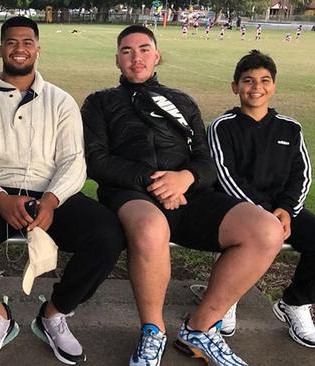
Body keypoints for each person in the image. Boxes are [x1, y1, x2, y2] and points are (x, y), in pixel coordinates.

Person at [81, 25, 283, 366]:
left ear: (157, 56)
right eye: (127, 51)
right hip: (131, 194)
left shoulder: (182, 101)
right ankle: (153, 332)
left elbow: (206, 160)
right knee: (150, 229)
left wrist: (185, 178)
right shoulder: (100, 102)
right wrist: (155, 181)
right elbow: (96, 160)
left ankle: (201, 328)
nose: (136, 57)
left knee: (267, 230)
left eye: (144, 49)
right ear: (117, 60)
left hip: (188, 193)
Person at [0, 16, 125, 365]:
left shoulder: (61, 101)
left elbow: (73, 160)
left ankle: (53, 313)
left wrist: (51, 200)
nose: (20, 48)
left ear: (38, 48)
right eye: (12, 42)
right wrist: (1, 199)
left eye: (27, 42)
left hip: (51, 195)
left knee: (108, 233)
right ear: (0, 49)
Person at [208, 49, 315, 348]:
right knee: (242, 236)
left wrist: (286, 210)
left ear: (274, 86)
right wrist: (266, 215)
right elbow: (225, 176)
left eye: (264, 80)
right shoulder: (222, 126)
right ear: (235, 86)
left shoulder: (290, 128)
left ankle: (295, 302)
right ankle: (228, 297)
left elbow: (301, 174)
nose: (256, 87)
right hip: (239, 209)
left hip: (284, 210)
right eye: (248, 80)